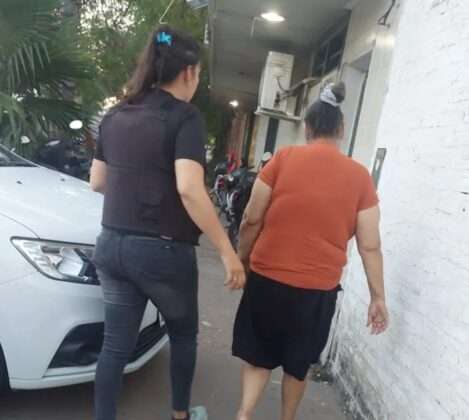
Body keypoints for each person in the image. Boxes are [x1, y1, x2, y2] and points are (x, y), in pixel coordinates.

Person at [89, 25, 245, 420]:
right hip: (162, 252)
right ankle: (180, 415)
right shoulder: (184, 117)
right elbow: (190, 189)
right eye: (199, 74)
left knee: (115, 346)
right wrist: (228, 251)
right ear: (189, 72)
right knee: (183, 334)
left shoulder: (115, 115)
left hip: (111, 245)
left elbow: (98, 182)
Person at [232, 82, 390, 420]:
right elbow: (370, 245)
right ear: (342, 129)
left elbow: (251, 218)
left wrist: (242, 259)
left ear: (307, 127)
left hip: (267, 280)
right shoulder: (360, 178)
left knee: (259, 357)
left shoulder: (282, 159)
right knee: (297, 365)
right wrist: (378, 296)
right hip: (316, 293)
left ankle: (244, 414)